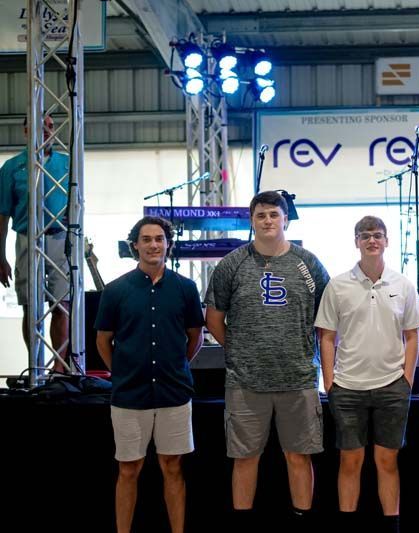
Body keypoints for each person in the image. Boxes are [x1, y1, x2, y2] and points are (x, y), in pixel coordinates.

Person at [204, 190, 329, 530]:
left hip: (298, 379)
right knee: (245, 458)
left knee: (299, 457)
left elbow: (327, 320)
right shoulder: (232, 264)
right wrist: (239, 351)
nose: (268, 220)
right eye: (261, 215)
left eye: (274, 214)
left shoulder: (309, 264)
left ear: (286, 219)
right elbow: (213, 319)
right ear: (252, 221)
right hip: (245, 382)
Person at [315, 215, 419, 533]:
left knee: (387, 462)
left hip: (392, 386)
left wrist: (406, 381)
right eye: (365, 236)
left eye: (377, 235)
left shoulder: (402, 285)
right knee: (350, 461)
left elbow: (413, 336)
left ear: (386, 241)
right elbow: (326, 337)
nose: (372, 240)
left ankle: (392, 527)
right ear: (356, 242)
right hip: (347, 387)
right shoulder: (338, 285)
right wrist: (330, 382)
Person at [95, 216, 205, 533]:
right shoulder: (115, 290)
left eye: (159, 239)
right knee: (129, 469)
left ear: (168, 244)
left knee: (173, 467)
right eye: (146, 239)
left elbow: (195, 336)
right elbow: (103, 340)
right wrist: (122, 371)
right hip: (129, 395)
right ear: (135, 245)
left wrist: (178, 365)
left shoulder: (186, 288)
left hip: (174, 393)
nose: (153, 245)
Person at [0, 116, 70, 371]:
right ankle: (36, 366)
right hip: (27, 239)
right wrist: (0, 256)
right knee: (31, 306)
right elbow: (2, 214)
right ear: (26, 131)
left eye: (50, 126)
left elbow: (77, 205)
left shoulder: (67, 163)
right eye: (41, 127)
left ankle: (59, 369)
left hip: (59, 238)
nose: (47, 131)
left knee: (61, 304)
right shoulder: (12, 167)